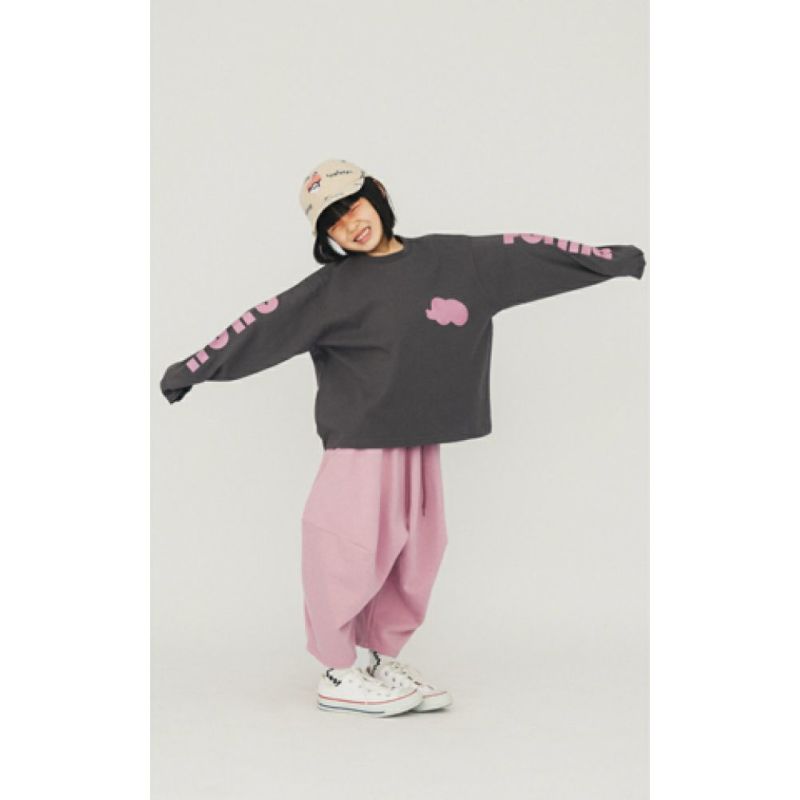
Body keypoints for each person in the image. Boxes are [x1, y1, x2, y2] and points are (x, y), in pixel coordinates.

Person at [160, 157, 647, 718]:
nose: (350, 224)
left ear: (379, 194)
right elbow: (265, 323)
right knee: (346, 545)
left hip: (420, 435)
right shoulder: (332, 290)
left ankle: (375, 657)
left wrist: (612, 260)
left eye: (353, 206)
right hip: (360, 443)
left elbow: (530, 253)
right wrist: (193, 368)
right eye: (332, 222)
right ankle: (336, 670)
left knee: (419, 550)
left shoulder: (456, 261)